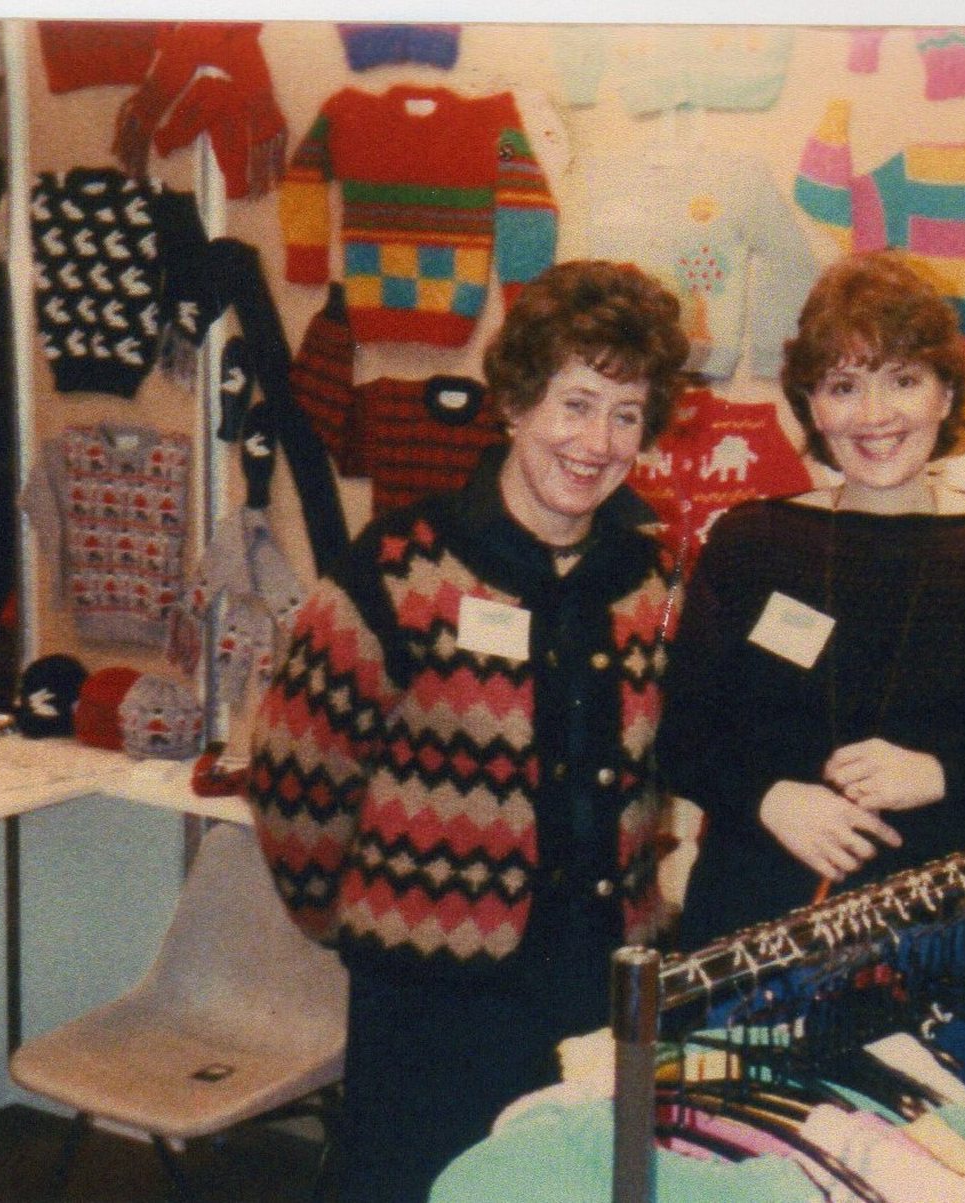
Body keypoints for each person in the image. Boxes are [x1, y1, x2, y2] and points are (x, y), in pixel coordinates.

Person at [245, 259, 689, 1203]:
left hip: (597, 985)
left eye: (625, 412)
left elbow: (664, 769)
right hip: (433, 995)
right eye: (575, 402)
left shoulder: (652, 582)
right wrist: (363, 914)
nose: (596, 439)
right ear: (517, 403)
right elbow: (293, 771)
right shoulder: (405, 565)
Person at [659, 250, 965, 952]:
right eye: (843, 385)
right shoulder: (752, 541)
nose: (874, 415)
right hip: (748, 917)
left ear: (946, 394)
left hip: (936, 925)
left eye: (902, 380)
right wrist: (768, 795)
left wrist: (939, 774)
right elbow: (678, 736)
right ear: (810, 403)